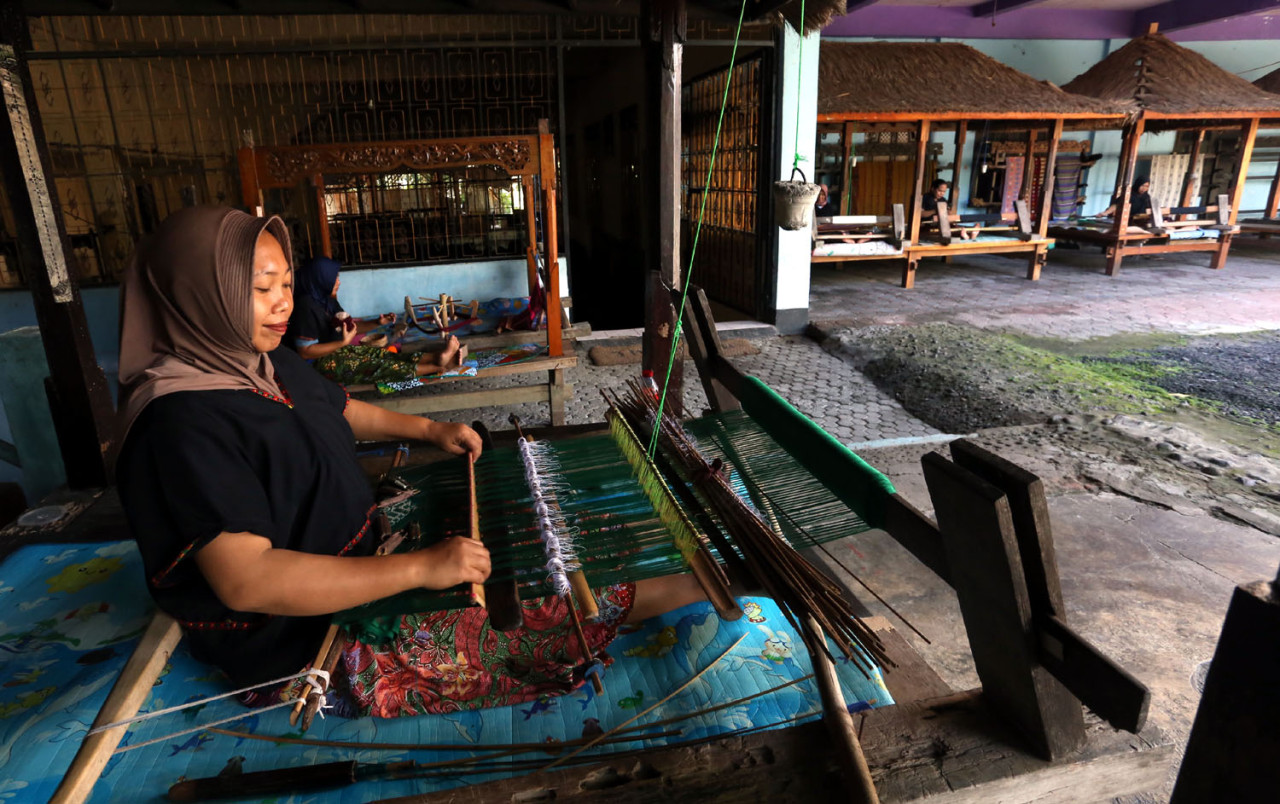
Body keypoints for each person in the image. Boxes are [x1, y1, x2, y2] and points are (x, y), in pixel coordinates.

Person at [115, 206, 708, 716]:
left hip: (366, 554)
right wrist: (420, 570)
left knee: (558, 537)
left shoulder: (258, 361)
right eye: (262, 289)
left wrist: (430, 428)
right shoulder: (181, 423)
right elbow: (249, 581)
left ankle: (697, 566)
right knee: (540, 600)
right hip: (310, 638)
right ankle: (705, 584)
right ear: (200, 293)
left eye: (288, 286)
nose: (283, 305)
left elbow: (337, 408)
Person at [287, 255, 465, 385]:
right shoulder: (305, 307)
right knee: (373, 366)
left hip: (331, 351)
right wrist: (342, 344)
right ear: (320, 279)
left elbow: (350, 327)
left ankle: (438, 357)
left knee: (381, 354)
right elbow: (306, 352)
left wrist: (377, 324)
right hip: (312, 367)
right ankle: (437, 367)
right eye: (335, 278)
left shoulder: (326, 300)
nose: (339, 282)